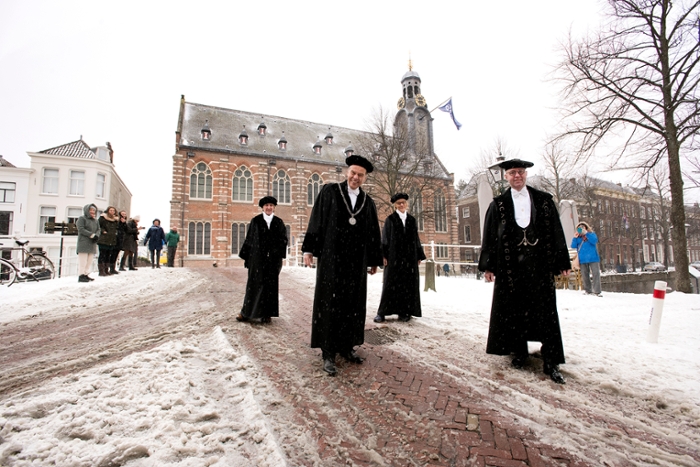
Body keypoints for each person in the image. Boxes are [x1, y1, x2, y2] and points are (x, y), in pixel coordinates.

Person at [478, 158, 571, 384]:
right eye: (512, 173)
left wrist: (561, 261)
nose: (516, 176)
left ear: (526, 174)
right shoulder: (498, 205)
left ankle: (551, 359)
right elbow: (489, 236)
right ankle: (519, 351)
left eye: (520, 172)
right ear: (506, 176)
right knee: (514, 309)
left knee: (545, 311)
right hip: (511, 267)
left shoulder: (543, 201)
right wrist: (489, 265)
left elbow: (556, 231)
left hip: (539, 266)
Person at [302, 154, 383, 376]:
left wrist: (374, 259)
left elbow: (373, 233)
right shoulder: (330, 192)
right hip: (332, 260)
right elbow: (317, 219)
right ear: (347, 173)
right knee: (330, 303)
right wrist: (309, 249)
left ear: (365, 177)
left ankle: (347, 346)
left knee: (352, 304)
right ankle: (328, 352)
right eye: (353, 173)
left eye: (360, 175)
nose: (355, 177)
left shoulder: (368, 202)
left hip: (355, 264)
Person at [374, 193, 426, 323]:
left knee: (407, 284)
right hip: (394, 257)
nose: (401, 205)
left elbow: (416, 239)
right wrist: (384, 255)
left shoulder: (412, 220)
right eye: (398, 203)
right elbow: (385, 238)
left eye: (403, 202)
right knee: (390, 283)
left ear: (406, 203)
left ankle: (405, 311)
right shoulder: (390, 220)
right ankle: (382, 312)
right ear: (395, 205)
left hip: (409, 258)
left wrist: (419, 255)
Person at [236, 196, 288, 324]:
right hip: (257, 260)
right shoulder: (256, 221)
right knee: (253, 286)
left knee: (270, 287)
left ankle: (267, 314)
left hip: (272, 261)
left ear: (274, 207)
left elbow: (283, 240)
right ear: (263, 207)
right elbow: (249, 239)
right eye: (266, 206)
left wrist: (277, 255)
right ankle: (246, 313)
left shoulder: (279, 222)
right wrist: (247, 258)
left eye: (271, 205)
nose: (269, 208)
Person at [571, 221, 602, 297]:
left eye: (583, 228)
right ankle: (588, 290)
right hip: (583, 259)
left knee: (595, 274)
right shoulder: (578, 238)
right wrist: (574, 238)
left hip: (593, 258)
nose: (581, 230)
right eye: (579, 229)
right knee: (585, 275)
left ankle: (597, 291)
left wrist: (586, 233)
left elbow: (594, 241)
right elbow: (573, 246)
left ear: (586, 228)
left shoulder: (591, 235)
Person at [76, 203, 100, 282]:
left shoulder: (96, 221)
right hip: (84, 242)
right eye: (91, 210)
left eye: (94, 210)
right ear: (87, 210)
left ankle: (86, 274)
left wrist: (96, 235)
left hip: (92, 243)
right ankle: (81, 275)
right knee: (83, 260)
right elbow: (81, 229)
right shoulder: (82, 218)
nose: (92, 212)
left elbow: (98, 229)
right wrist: (91, 235)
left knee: (89, 260)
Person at [97, 206, 119, 276]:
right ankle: (101, 271)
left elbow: (117, 228)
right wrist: (103, 231)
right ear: (108, 211)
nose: (112, 212)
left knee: (108, 255)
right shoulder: (103, 218)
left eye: (113, 211)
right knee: (102, 255)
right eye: (111, 210)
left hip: (111, 239)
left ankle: (106, 270)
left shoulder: (115, 220)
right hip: (103, 239)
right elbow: (98, 226)